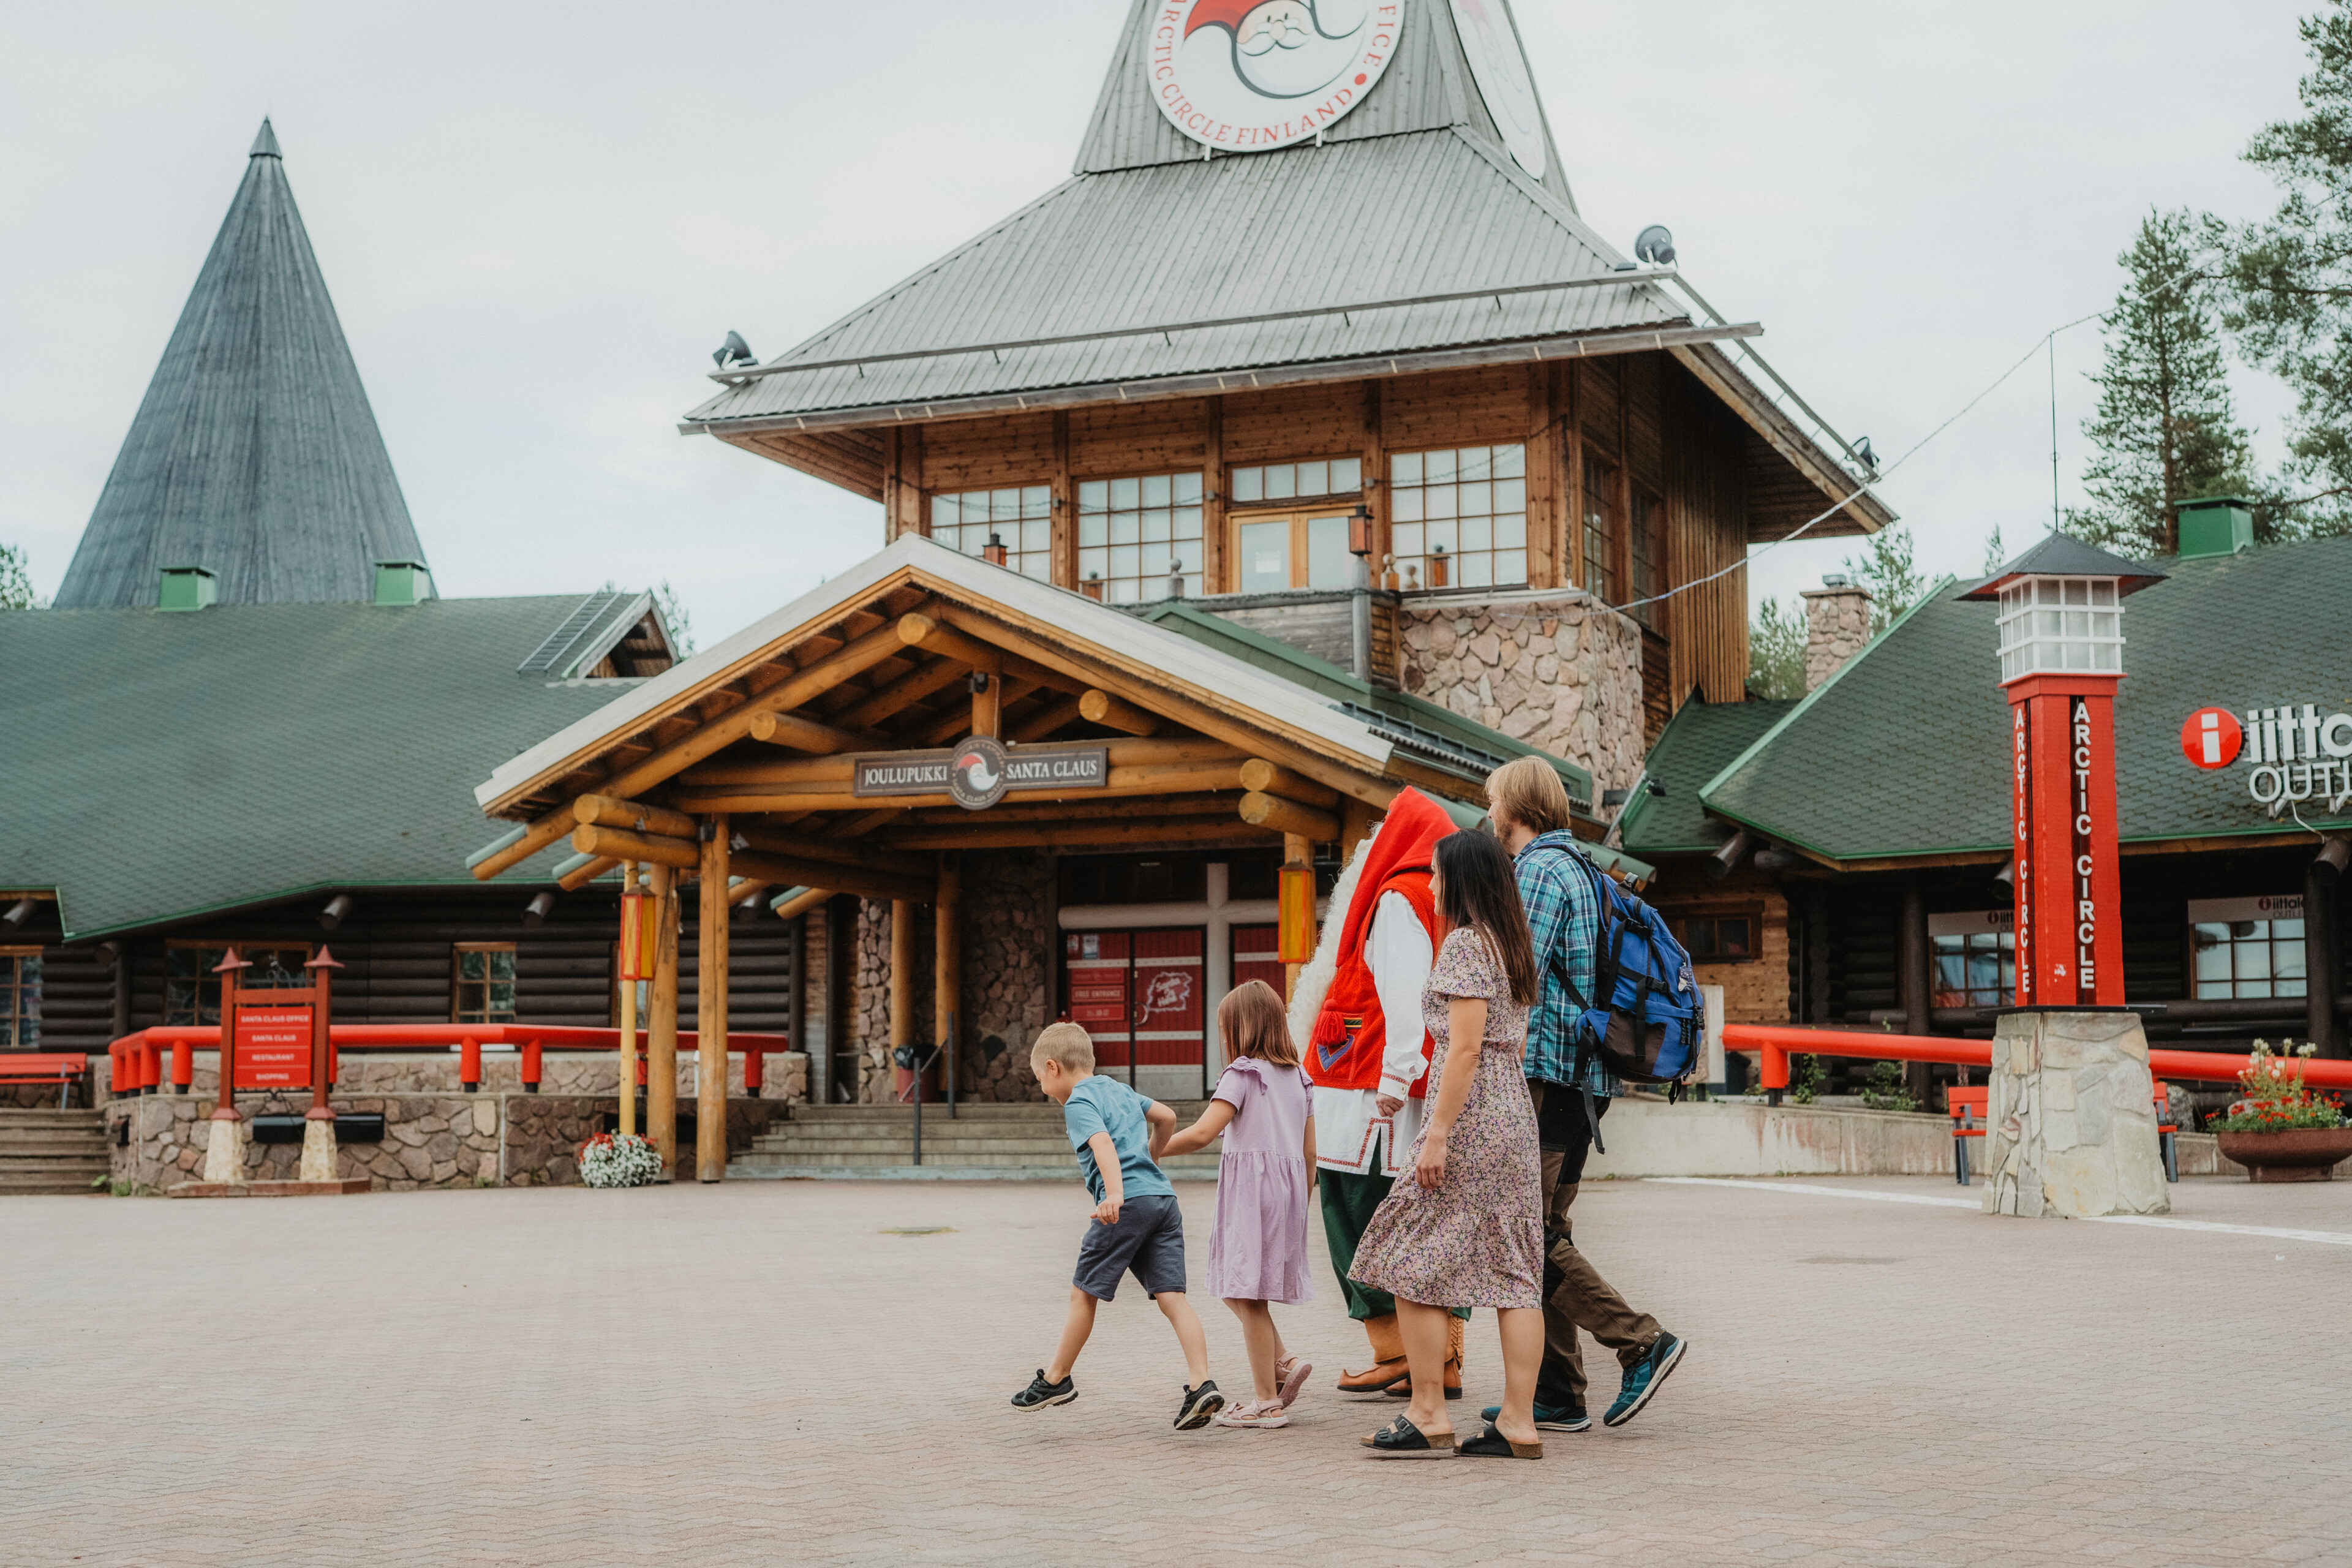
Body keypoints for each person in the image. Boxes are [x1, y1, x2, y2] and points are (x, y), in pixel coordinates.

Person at [1484, 755, 1686, 1433]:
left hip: (1546, 1076)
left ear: (1516, 804)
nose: (1488, 810)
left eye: (1493, 799)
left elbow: (1518, 976)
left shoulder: (1538, 870)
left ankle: (1640, 1342)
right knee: (1544, 1232)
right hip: (1581, 1081)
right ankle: (1559, 1392)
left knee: (1525, 1237)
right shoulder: (1582, 866)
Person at [1346, 829, 1548, 1460]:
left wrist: (1435, 1135)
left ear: (1461, 879)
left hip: (1468, 1118)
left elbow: (1463, 1047)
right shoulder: (1511, 943)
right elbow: (1509, 1044)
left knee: (1409, 1256)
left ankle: (1428, 1409)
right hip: (1512, 1111)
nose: (1431, 887)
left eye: (1436, 875)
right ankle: (1518, 1420)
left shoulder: (1464, 943)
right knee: (1517, 1274)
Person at [1289, 786, 1468, 1398]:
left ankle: (1398, 1351)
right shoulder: (1451, 897)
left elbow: (1405, 995)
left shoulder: (1398, 896)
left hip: (1372, 1085)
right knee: (1428, 1224)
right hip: (1415, 1082)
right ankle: (1444, 1354)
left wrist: (1395, 1076)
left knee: (1353, 1210)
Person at [1010, 1022, 1226, 1430]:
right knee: (1173, 1299)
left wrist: (1114, 1193)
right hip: (1163, 1201)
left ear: (1053, 1068)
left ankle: (1057, 1379)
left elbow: (1103, 1144)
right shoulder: (1119, 1089)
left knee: (1082, 1295)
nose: (1042, 1088)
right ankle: (1202, 1383)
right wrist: (1151, 1158)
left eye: (1040, 1079)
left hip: (1125, 1206)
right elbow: (1168, 1117)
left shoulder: (1077, 1102)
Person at [1155, 981, 1317, 1429]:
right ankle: (1282, 1361)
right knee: (1238, 1286)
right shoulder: (1299, 1077)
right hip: (1288, 1193)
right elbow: (1309, 1154)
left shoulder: (1243, 1074)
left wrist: (1149, 1152)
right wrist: (1300, 1202)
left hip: (1252, 1194)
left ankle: (1267, 1402)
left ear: (1241, 1027)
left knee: (1248, 1292)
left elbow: (1204, 1133)